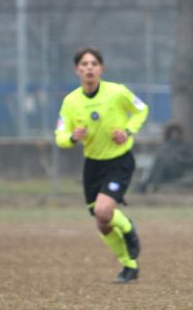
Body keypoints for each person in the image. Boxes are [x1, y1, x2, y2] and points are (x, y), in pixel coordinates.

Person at [54, 47, 149, 283]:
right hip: (93, 165)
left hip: (119, 160)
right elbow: (60, 136)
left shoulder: (117, 92)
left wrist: (128, 131)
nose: (89, 68)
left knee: (103, 211)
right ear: (77, 70)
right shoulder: (71, 101)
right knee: (102, 223)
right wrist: (73, 137)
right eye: (84, 64)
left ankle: (128, 228)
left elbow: (141, 109)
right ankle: (129, 265)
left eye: (93, 64)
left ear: (101, 68)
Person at [137, 122, 193, 193]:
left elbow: (192, 161)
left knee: (158, 165)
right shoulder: (165, 146)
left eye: (176, 133)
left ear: (179, 134)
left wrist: (180, 158)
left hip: (177, 170)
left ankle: (147, 185)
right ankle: (152, 185)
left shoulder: (184, 146)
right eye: (172, 133)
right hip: (164, 170)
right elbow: (159, 157)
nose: (174, 135)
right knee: (158, 164)